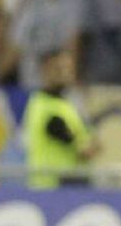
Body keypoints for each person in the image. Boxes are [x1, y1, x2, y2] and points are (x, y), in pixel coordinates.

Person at [23, 49, 100, 190]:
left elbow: (91, 141)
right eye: (58, 69)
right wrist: (88, 145)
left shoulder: (67, 105)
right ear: (45, 69)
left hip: (70, 182)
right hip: (51, 185)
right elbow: (83, 148)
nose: (64, 74)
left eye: (68, 69)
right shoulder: (43, 107)